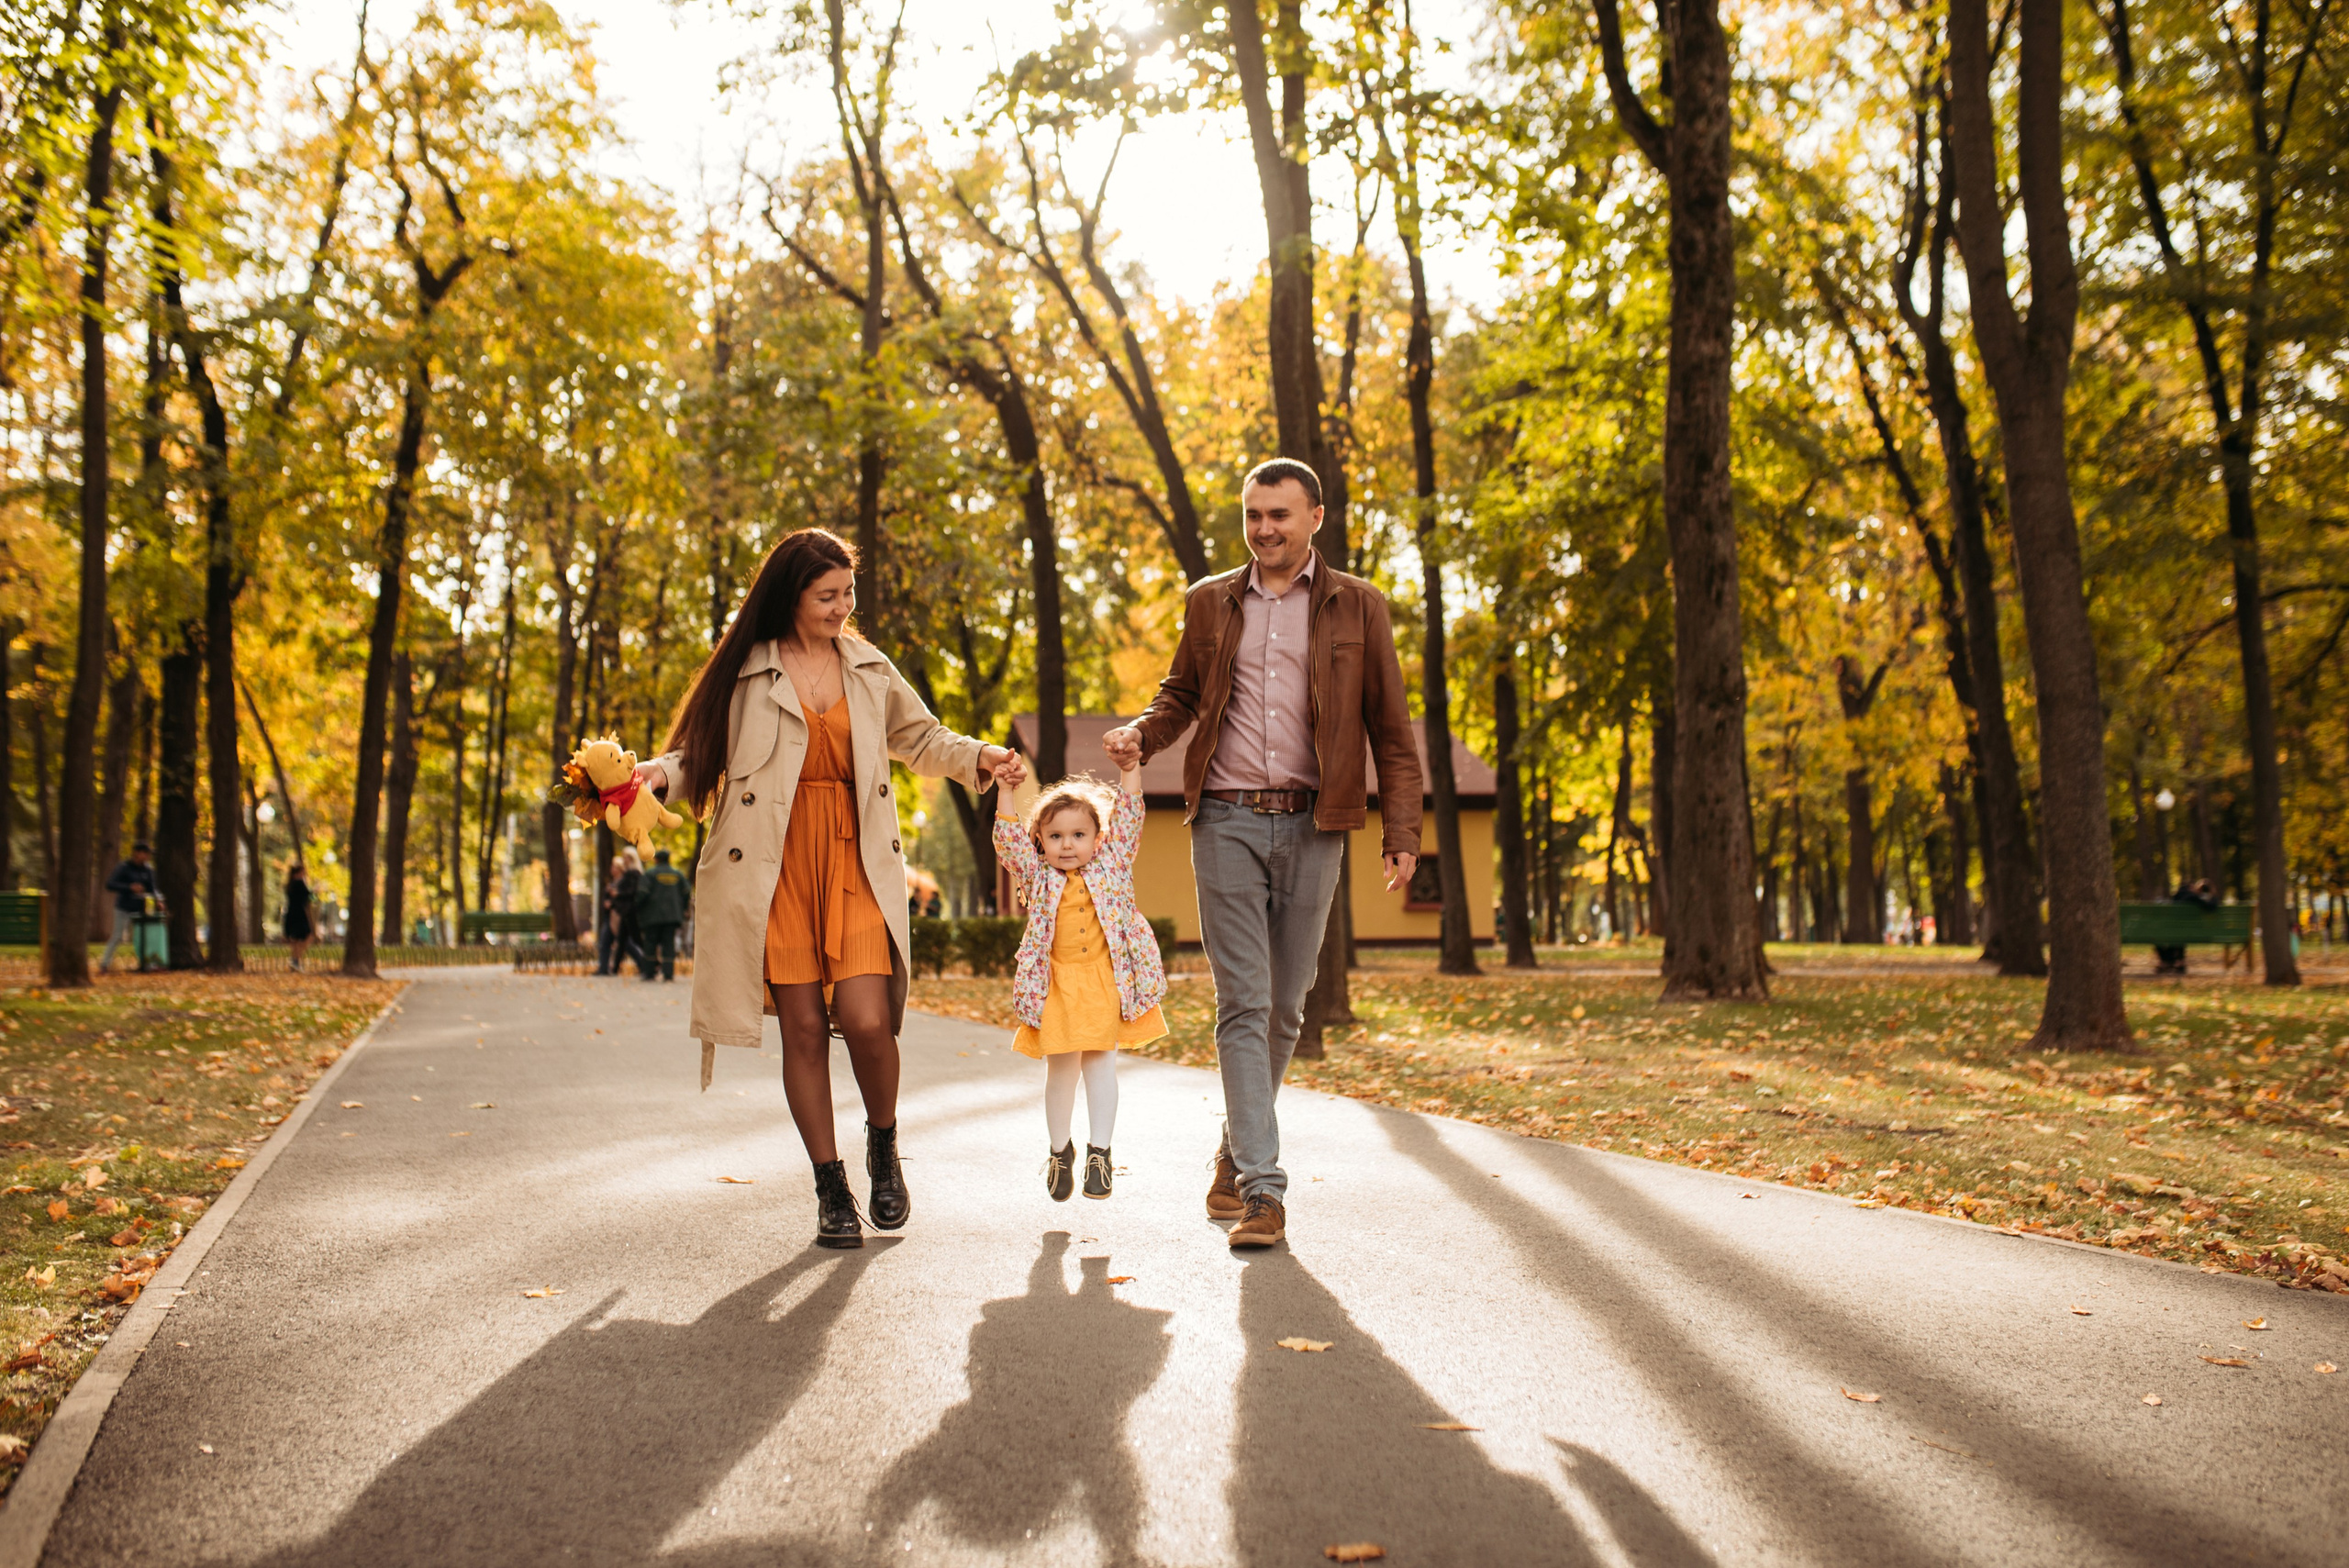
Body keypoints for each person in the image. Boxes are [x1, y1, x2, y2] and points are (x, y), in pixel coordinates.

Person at [638, 528, 1027, 1250]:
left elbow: (923, 737)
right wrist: (655, 775)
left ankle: (884, 1144)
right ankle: (830, 1186)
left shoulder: (869, 667)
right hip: (774, 865)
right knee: (807, 1030)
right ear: (791, 595)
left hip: (854, 857)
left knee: (868, 1021)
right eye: (827, 596)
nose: (842, 607)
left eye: (848, 593)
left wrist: (982, 756)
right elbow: (698, 756)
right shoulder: (746, 672)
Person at [1104, 458, 1421, 1250]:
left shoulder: (1360, 606)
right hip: (1226, 819)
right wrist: (1142, 733)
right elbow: (1182, 694)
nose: (1264, 528)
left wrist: (1403, 831)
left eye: (1279, 514)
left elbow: (1391, 729)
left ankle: (1233, 1147)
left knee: (1286, 1005)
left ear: (1316, 515)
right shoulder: (1211, 602)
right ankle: (1264, 1189)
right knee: (1243, 1001)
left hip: (1317, 823)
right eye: (1252, 515)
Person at [993, 762, 1165, 1203]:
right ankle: (1058, 1151)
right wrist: (1006, 791)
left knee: (1100, 1067)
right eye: (1055, 836)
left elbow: (1129, 815)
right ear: (1041, 841)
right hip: (1057, 988)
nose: (1067, 845)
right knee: (1062, 1072)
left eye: (1078, 835)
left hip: (1107, 982)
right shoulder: (1038, 875)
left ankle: (1100, 1154)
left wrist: (1130, 770)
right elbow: (1008, 841)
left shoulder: (1114, 863)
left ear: (1098, 838)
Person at [98, 842, 158, 973]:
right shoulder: (124, 868)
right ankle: (104, 964)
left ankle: (146, 963)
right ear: (137, 853)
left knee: (143, 937)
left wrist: (158, 900)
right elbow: (110, 884)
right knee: (118, 936)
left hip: (140, 910)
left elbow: (152, 888)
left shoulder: (148, 870)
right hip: (123, 908)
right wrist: (129, 887)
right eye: (145, 853)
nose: (147, 856)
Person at [636, 849, 691, 982]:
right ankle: (668, 973)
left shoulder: (650, 874)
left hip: (652, 916)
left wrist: (638, 909)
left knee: (650, 943)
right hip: (672, 916)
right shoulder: (677, 875)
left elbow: (642, 894)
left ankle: (649, 972)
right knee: (668, 944)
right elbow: (686, 892)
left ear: (656, 859)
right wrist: (683, 909)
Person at [2158, 877, 2218, 976]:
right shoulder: (2196, 899)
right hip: (2189, 930)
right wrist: (2214, 896)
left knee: (2176, 933)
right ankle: (2176, 962)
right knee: (2180, 933)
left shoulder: (2180, 896)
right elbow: (2211, 907)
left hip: (2172, 929)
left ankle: (2168, 962)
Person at [613, 850, 645, 976]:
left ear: (631, 859)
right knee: (622, 939)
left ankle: (651, 962)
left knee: (636, 939)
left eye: (626, 857)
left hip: (630, 911)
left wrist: (618, 894)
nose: (624, 859)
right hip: (627, 911)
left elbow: (633, 892)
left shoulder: (633, 874)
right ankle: (615, 968)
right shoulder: (630, 873)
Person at [596, 855, 627, 975]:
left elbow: (623, 898)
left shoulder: (622, 883)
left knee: (626, 943)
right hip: (610, 917)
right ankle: (603, 968)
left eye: (615, 867)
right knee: (605, 941)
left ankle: (643, 963)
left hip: (618, 916)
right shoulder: (612, 882)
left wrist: (612, 902)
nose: (612, 869)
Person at [282, 862, 314, 971]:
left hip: (291, 914)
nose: (304, 874)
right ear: (298, 873)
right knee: (307, 937)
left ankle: (295, 961)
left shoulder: (290, 885)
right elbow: (309, 898)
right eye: (302, 872)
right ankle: (295, 960)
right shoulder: (300, 884)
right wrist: (315, 892)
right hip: (299, 914)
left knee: (296, 940)